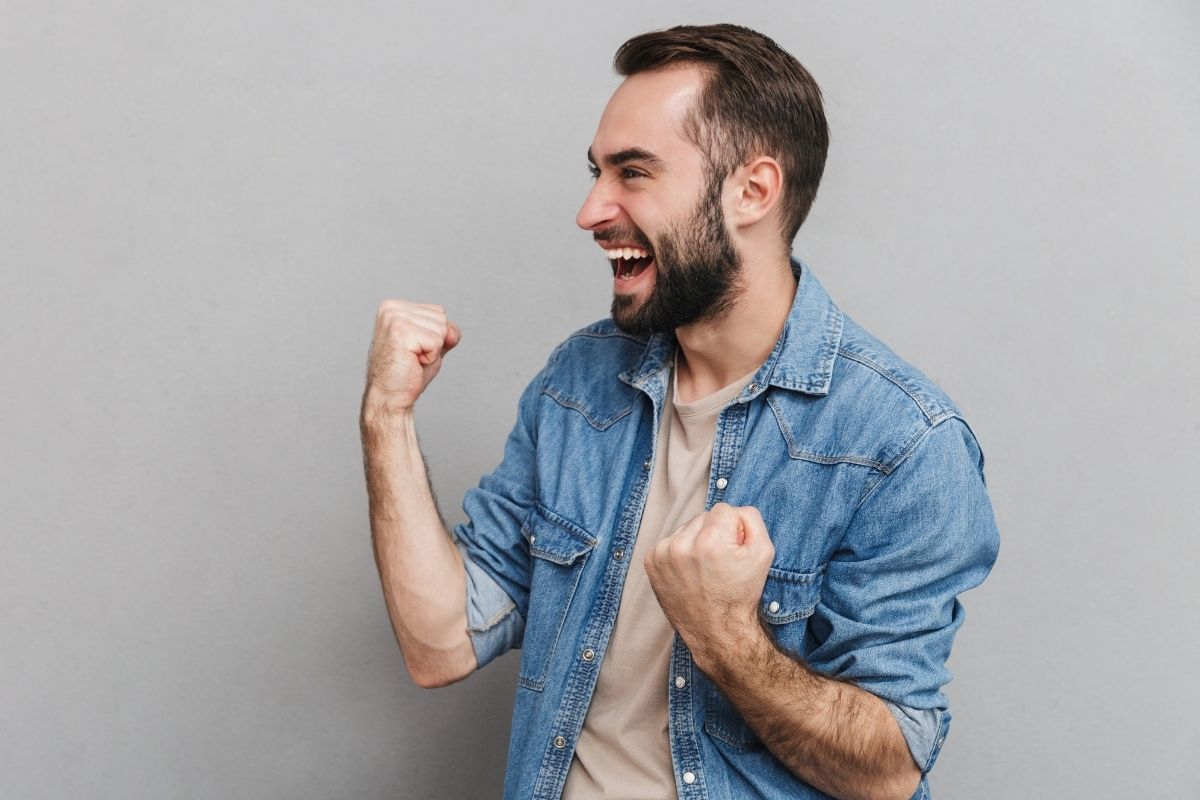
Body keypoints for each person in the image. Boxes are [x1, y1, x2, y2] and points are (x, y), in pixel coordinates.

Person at [360, 23, 1000, 800]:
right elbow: (441, 644)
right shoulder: (580, 380)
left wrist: (724, 634)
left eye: (633, 173)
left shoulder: (901, 443)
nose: (591, 210)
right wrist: (387, 419)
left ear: (752, 192)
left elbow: (889, 770)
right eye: (598, 172)